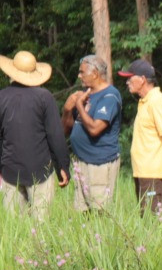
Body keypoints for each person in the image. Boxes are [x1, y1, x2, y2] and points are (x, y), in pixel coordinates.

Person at [0, 50, 70, 219]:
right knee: (41, 226)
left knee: (15, 226)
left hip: (10, 169)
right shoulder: (44, 97)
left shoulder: (1, 96)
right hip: (40, 170)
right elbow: (55, 135)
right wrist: (63, 166)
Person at [118, 59, 162, 215]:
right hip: (143, 172)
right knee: (144, 216)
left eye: (130, 78)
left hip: (153, 173)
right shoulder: (145, 102)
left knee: (151, 219)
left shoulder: (157, 102)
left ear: (143, 79)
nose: (127, 82)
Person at [62, 54, 122, 211]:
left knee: (99, 210)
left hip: (99, 163)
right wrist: (67, 109)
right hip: (81, 161)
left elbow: (95, 129)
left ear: (95, 73)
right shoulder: (85, 94)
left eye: (82, 72)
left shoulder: (110, 96)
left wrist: (79, 106)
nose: (79, 75)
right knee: (82, 211)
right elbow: (65, 130)